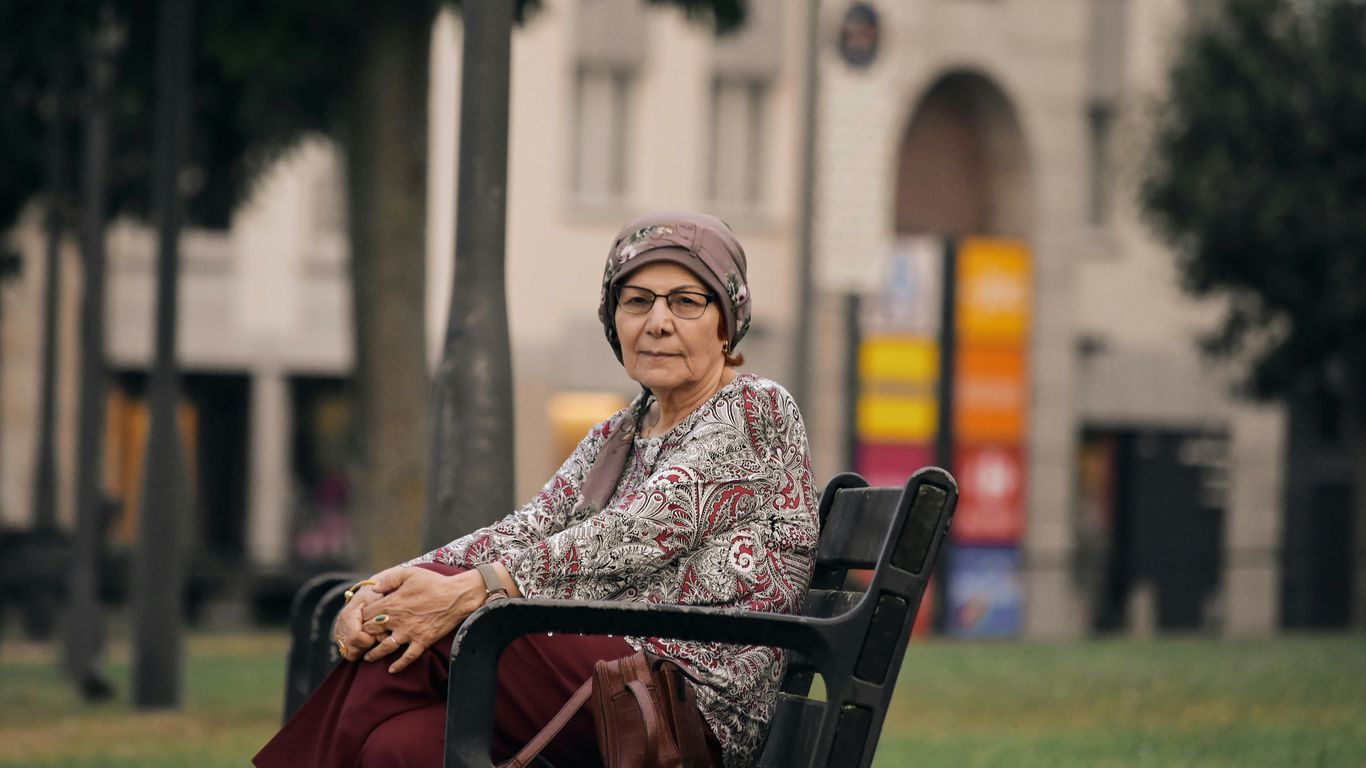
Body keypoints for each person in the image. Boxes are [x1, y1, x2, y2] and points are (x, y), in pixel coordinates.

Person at [255, 210, 818, 768]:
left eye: (687, 302)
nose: (658, 322)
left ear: (728, 321)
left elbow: (631, 534)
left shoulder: (755, 410)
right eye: (637, 300)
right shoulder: (619, 433)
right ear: (613, 319)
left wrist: (474, 588)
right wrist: (378, 591)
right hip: (603, 675)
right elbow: (523, 529)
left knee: (468, 621)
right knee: (400, 746)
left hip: (682, 712)